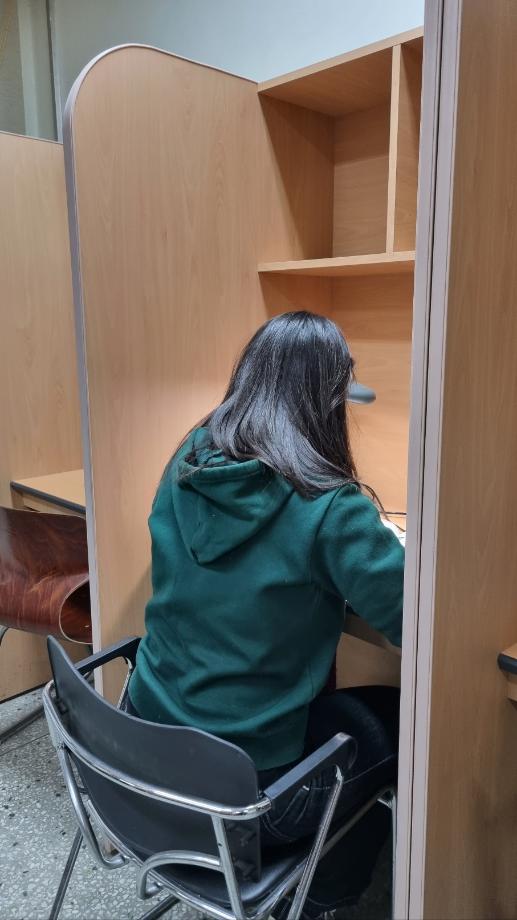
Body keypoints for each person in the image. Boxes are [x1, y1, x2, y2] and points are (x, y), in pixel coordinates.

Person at [127, 310, 405, 919]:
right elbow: (415, 620)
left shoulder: (189, 459)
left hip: (141, 752)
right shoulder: (329, 507)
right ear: (330, 398)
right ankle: (322, 899)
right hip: (245, 799)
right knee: (399, 722)